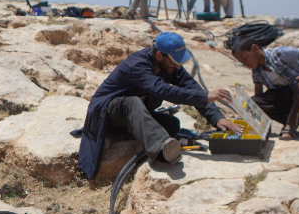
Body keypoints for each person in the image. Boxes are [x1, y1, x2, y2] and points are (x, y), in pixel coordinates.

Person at [77, 32, 243, 179]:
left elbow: (191, 87)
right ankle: (163, 150)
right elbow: (163, 90)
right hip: (105, 113)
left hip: (130, 116)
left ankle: (125, 139)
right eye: (175, 62)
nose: (178, 66)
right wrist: (206, 96)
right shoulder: (138, 64)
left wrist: (218, 118)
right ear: (159, 55)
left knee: (172, 125)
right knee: (132, 101)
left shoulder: (170, 65)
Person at [231, 36, 299, 140]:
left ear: (255, 48)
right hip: (287, 99)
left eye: (244, 58)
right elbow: (259, 97)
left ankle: (291, 126)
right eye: (242, 62)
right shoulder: (257, 71)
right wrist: (259, 120)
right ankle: (294, 118)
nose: (244, 64)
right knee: (252, 103)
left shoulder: (280, 54)